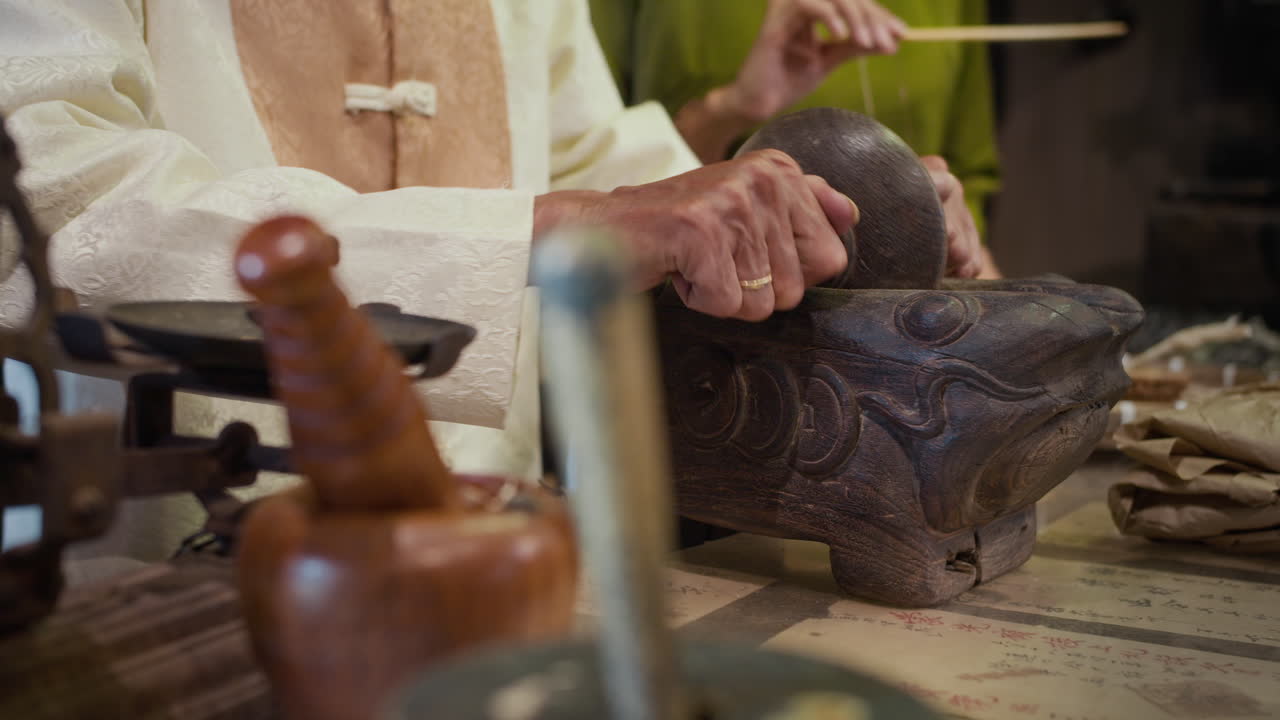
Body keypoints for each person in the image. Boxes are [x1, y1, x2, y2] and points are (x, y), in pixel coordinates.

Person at [590, 0, 1003, 278]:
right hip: (705, 307)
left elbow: (968, 175)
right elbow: (592, 175)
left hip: (911, 320)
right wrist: (731, 108)